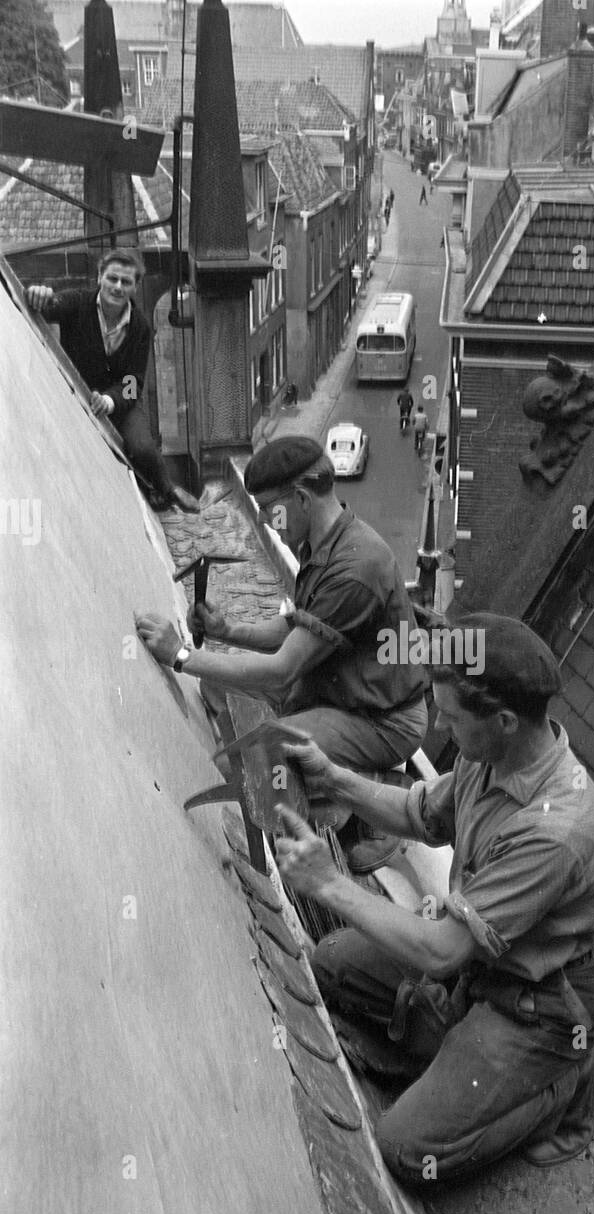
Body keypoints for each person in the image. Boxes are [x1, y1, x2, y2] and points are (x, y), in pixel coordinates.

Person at [273, 613, 594, 1185]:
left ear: (504, 720)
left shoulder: (559, 831)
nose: (437, 725)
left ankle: (570, 1083)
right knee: (331, 966)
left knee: (408, 1151)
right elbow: (420, 815)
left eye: (450, 717)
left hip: (537, 1004)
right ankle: (460, 1052)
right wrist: (332, 777)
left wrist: (328, 882)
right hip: (479, 969)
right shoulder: (491, 755)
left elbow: (441, 953)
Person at [134, 436, 428, 871]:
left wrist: (179, 656)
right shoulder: (324, 539)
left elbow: (280, 671)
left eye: (272, 509)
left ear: (303, 498)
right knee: (218, 686)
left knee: (269, 755)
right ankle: (327, 769)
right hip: (337, 693)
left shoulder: (355, 569)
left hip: (382, 720)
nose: (269, 524)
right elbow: (297, 628)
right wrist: (228, 629)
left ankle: (375, 800)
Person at [25, 249, 198, 512]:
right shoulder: (78, 302)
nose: (117, 287)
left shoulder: (140, 328)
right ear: (100, 278)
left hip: (118, 401)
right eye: (112, 278)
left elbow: (133, 381)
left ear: (136, 287)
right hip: (75, 397)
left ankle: (166, 490)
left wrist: (110, 401)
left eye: (125, 282)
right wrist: (38, 294)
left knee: (142, 448)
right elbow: (49, 306)